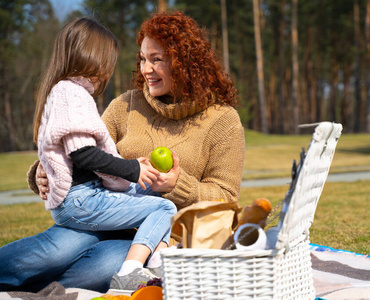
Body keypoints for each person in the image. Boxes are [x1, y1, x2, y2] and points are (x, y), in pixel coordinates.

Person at [0, 11, 245, 293]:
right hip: (103, 216)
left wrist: (178, 185)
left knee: (104, 268)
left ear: (185, 63)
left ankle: (36, 293)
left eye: (157, 59)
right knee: (57, 251)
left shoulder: (223, 121)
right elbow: (82, 148)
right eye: (142, 58)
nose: (145, 69)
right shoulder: (126, 105)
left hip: (157, 239)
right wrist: (41, 173)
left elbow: (226, 199)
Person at [30, 16, 177, 293]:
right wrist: (132, 169)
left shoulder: (70, 92)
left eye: (155, 59)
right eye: (107, 61)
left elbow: (82, 150)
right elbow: (84, 154)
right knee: (165, 208)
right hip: (82, 199)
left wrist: (139, 173)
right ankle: (133, 272)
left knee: (156, 198)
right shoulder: (71, 93)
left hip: (89, 196)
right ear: (90, 57)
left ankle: (157, 263)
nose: (108, 70)